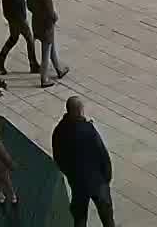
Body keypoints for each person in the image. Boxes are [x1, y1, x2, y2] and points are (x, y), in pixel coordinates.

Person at [53, 97, 115, 227]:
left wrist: (70, 174)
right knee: (106, 215)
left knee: (80, 216)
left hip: (77, 182)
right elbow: (102, 154)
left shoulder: (59, 131)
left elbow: (58, 158)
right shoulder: (88, 130)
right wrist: (106, 177)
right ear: (80, 111)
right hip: (97, 180)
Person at [27, 0, 68, 87]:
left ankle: (59, 69)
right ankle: (44, 78)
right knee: (46, 52)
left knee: (51, 47)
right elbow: (51, 12)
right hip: (47, 26)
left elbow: (29, 6)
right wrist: (55, 18)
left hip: (36, 23)